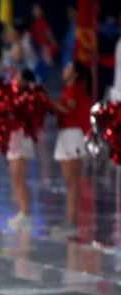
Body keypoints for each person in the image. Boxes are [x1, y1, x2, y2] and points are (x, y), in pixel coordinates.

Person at [50, 61, 92, 238]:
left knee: (73, 182)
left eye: (68, 68)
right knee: (70, 183)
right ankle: (70, 219)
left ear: (75, 74)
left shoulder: (75, 89)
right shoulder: (69, 89)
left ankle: (73, 221)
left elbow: (68, 109)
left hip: (73, 135)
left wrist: (49, 102)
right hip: (66, 134)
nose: (64, 70)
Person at [6, 70, 38, 231]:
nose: (15, 78)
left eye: (18, 76)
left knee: (19, 178)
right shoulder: (15, 95)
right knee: (15, 178)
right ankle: (22, 212)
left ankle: (25, 213)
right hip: (14, 137)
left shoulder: (28, 97)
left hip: (21, 136)